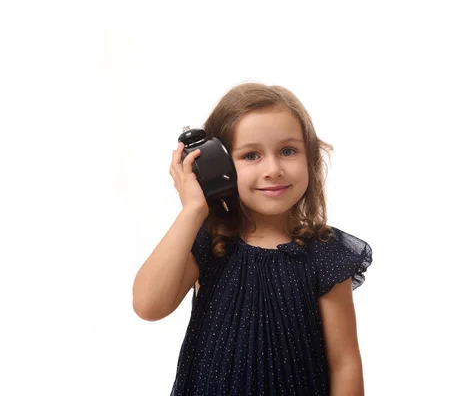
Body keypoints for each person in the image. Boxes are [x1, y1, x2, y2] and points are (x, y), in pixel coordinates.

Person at [132, 82, 373, 395]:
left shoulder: (325, 254)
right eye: (251, 155)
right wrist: (193, 209)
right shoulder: (210, 242)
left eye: (288, 151)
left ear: (309, 157)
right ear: (216, 164)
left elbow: (345, 363)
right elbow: (149, 306)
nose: (273, 169)